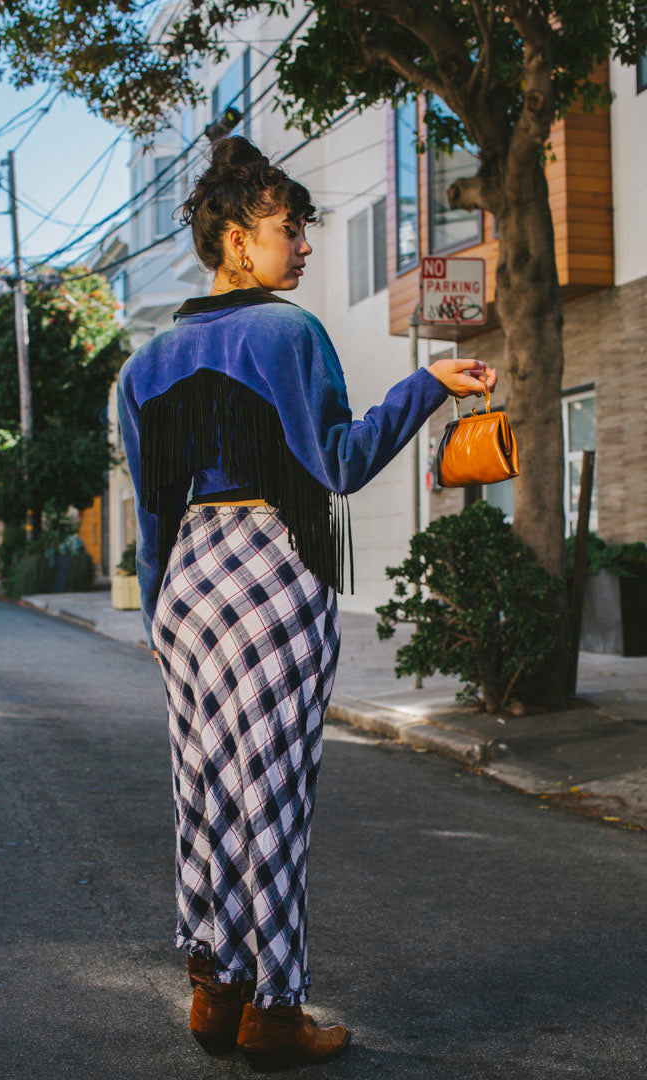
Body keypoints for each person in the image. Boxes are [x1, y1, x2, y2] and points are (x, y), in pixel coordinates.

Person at [117, 135, 496, 1069]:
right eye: (291, 229)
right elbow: (340, 462)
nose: (307, 246)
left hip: (190, 585)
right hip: (273, 567)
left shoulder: (143, 366)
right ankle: (277, 1012)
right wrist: (426, 385)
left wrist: (155, 613)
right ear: (239, 241)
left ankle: (216, 988)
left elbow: (152, 512)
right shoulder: (288, 334)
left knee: (203, 789)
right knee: (272, 792)